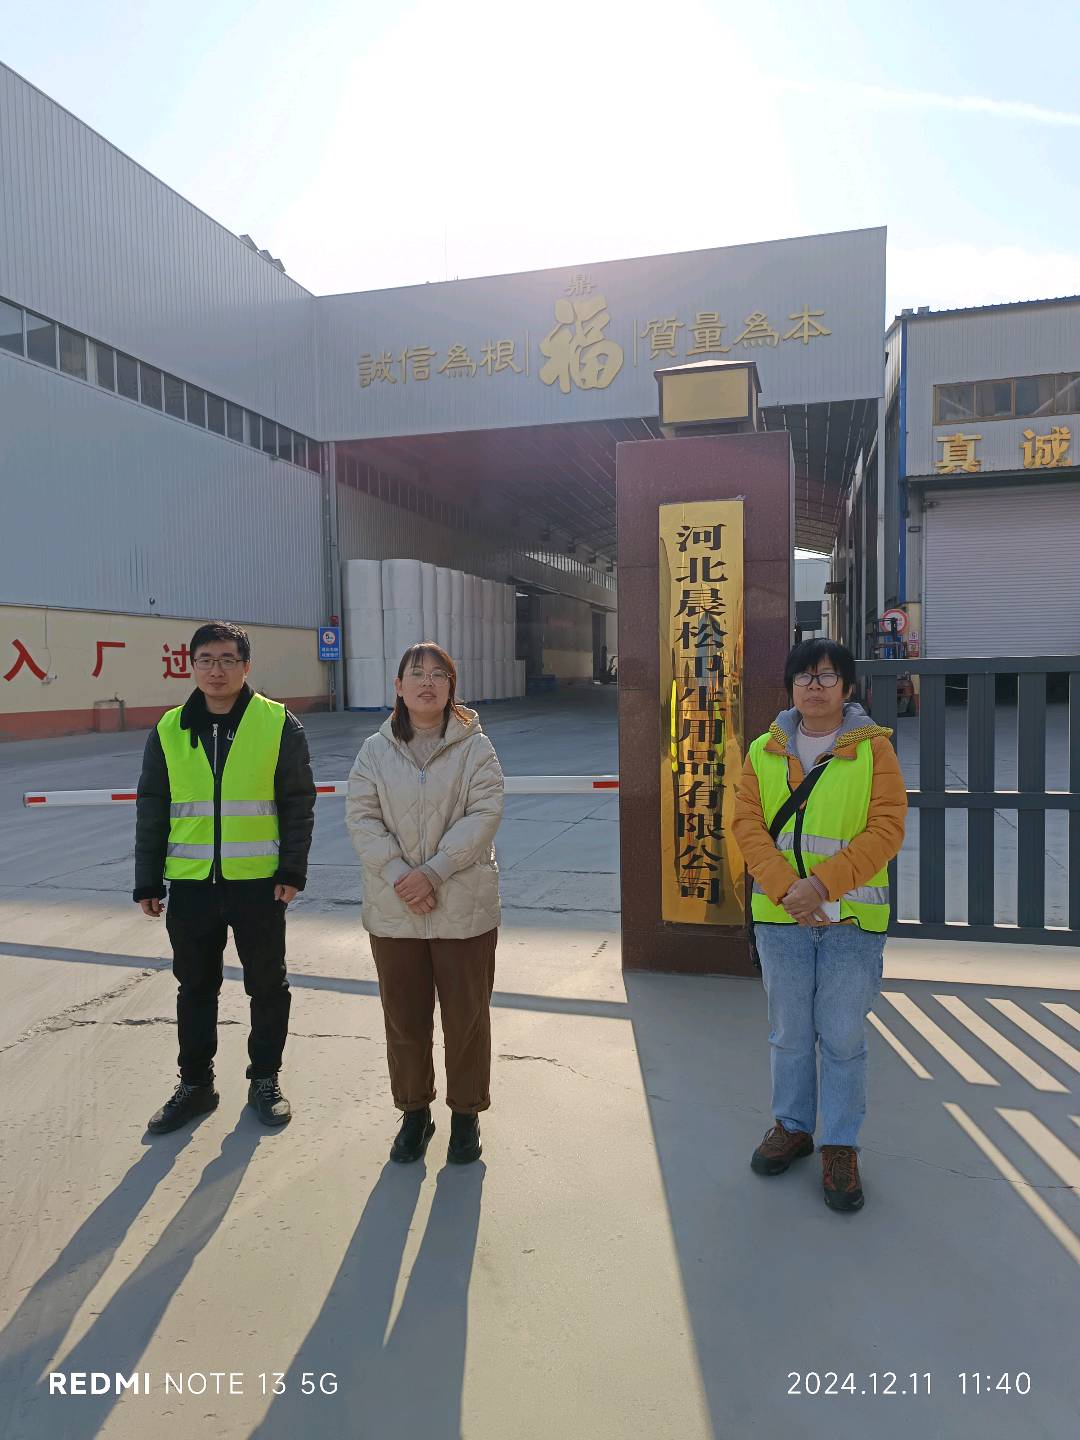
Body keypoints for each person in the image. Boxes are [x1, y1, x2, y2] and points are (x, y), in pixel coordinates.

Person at [732, 638, 907, 1213]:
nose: (815, 686)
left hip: (851, 920)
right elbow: (746, 824)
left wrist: (821, 886)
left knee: (842, 1036)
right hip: (781, 918)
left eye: (828, 676)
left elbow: (887, 827)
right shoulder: (763, 750)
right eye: (805, 676)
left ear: (848, 688)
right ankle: (792, 1127)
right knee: (788, 1032)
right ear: (790, 687)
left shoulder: (874, 750)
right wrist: (789, 889)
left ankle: (840, 1144)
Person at [134, 622, 315, 1133]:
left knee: (267, 986)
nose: (217, 671)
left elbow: (297, 802)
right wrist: (148, 879)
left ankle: (265, 1080)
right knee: (195, 988)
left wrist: (292, 869)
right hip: (190, 885)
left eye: (228, 660)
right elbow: (153, 806)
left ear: (246, 666)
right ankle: (196, 1085)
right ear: (191, 665)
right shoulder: (169, 728)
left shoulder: (277, 722)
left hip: (259, 884)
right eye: (207, 660)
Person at [346, 643, 504, 1166]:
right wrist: (401, 876)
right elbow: (362, 819)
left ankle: (466, 1115)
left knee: (466, 1021)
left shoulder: (476, 749)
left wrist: (432, 873)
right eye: (417, 674)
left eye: (439, 674)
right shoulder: (374, 751)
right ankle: (414, 1114)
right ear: (398, 687)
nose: (428, 683)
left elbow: (484, 814)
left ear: (452, 686)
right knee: (405, 1021)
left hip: (464, 909)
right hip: (395, 911)